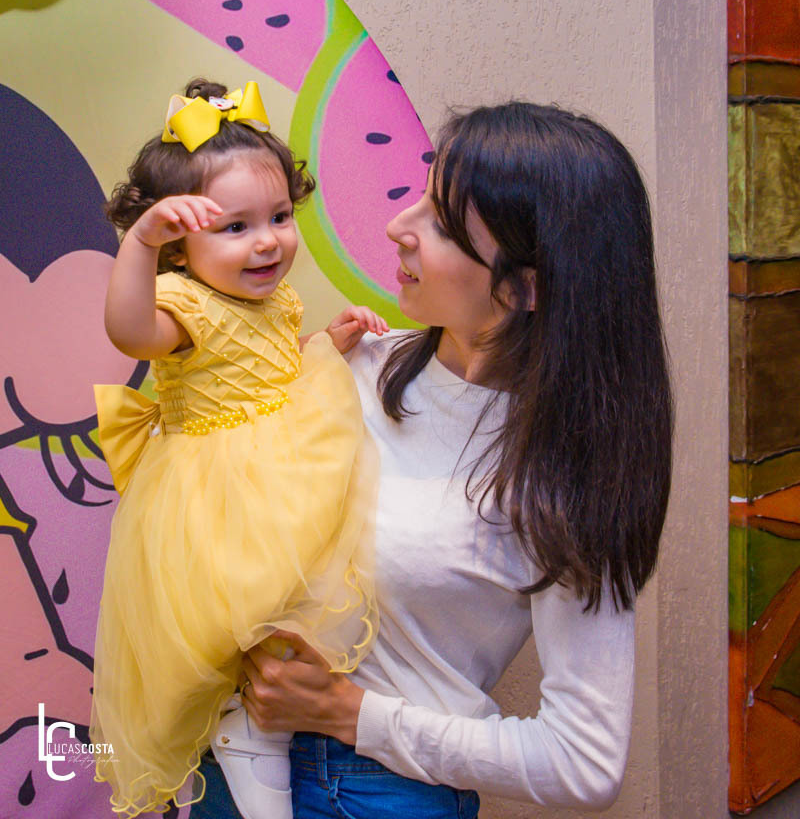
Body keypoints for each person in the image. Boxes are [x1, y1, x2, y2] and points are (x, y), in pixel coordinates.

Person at [191, 100, 674, 818]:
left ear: (526, 286)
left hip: (376, 793)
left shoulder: (561, 471)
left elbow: (585, 763)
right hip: (228, 764)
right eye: (421, 194)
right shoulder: (348, 363)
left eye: (442, 223)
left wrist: (352, 715)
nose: (399, 226)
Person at [90, 79, 387, 819]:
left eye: (280, 216)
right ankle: (244, 733)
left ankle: (261, 724)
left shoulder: (275, 300)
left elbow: (276, 364)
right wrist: (139, 244)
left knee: (300, 604)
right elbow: (128, 331)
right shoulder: (181, 304)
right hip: (215, 488)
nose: (267, 241)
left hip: (277, 467)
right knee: (241, 614)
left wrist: (329, 342)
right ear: (180, 247)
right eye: (235, 227)